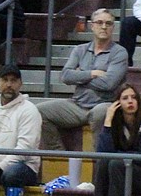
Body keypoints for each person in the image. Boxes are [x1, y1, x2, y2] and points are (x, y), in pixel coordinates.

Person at [35, 9, 128, 151]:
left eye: (108, 23)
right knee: (39, 111)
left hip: (104, 103)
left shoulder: (119, 52)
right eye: (100, 22)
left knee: (100, 113)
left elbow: (109, 84)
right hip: (77, 105)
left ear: (113, 27)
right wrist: (91, 74)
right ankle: (59, 154)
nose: (104, 26)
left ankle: (100, 158)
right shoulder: (80, 50)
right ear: (92, 26)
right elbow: (65, 76)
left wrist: (79, 76)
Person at [0, 66, 41, 196]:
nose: (9, 85)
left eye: (13, 81)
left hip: (22, 166)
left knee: (12, 174)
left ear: (20, 84)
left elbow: (24, 149)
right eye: (5, 80)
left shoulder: (29, 110)